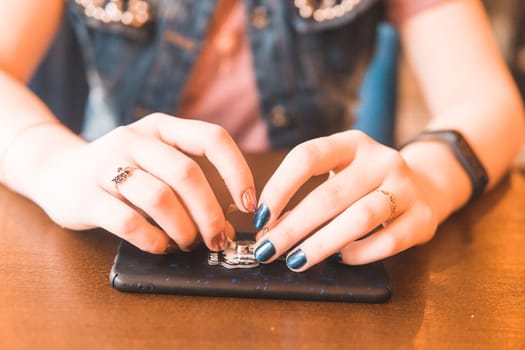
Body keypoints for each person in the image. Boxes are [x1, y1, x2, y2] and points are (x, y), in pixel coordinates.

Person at [0, 0, 523, 272]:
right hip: (115, 222)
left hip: (317, 234)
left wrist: (426, 181)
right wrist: (58, 164)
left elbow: (489, 101)